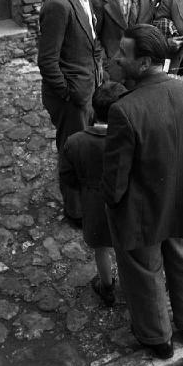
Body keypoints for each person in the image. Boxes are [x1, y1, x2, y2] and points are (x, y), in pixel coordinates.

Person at [102, 25, 183, 359]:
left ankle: (157, 339)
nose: (117, 59)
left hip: (143, 209)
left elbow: (116, 176)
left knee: (144, 270)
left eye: (124, 54)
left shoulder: (124, 110)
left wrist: (112, 203)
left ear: (145, 62)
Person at [37, 0, 104, 227]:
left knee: (83, 149)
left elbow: (89, 38)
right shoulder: (58, 4)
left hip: (86, 89)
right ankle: (75, 211)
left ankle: (85, 204)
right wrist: (68, 94)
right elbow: (47, 61)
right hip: (71, 98)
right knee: (72, 151)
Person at [59, 81, 127, 306]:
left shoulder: (75, 142)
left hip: (93, 203)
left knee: (101, 249)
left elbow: (67, 176)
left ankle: (106, 287)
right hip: (124, 203)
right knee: (126, 247)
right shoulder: (127, 140)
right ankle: (130, 287)